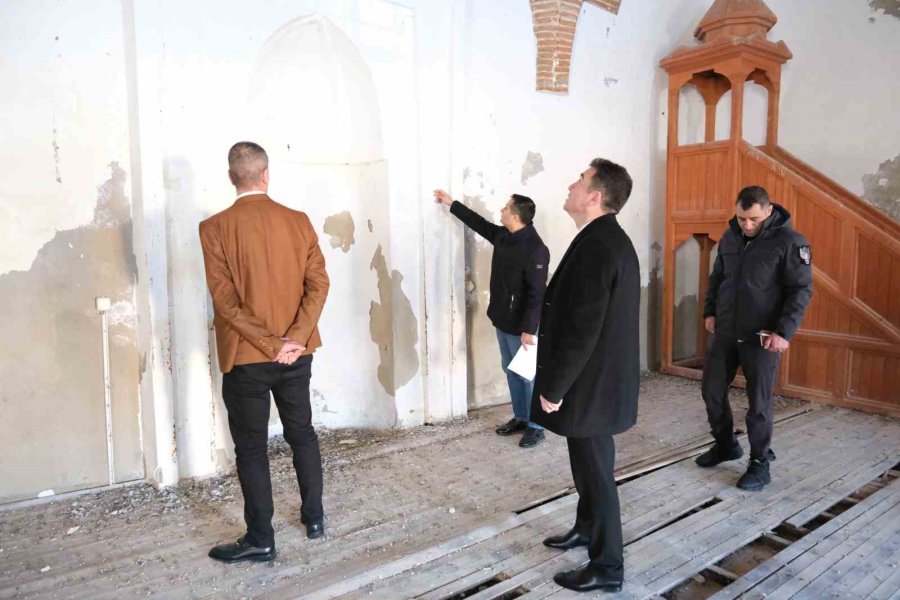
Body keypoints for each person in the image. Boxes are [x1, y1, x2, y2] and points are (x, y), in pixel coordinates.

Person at [200, 141, 330, 563]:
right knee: (303, 435)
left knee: (252, 449)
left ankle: (261, 538)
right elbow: (319, 285)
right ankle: (314, 520)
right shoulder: (298, 221)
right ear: (266, 174)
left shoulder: (213, 227)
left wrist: (273, 344)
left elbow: (227, 303)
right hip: (297, 354)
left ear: (231, 176)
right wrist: (293, 339)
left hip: (246, 359)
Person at [531, 158, 640, 593]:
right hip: (595, 383)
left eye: (579, 180)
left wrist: (555, 387)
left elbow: (583, 328)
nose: (571, 185)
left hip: (589, 384)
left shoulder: (599, 245)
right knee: (587, 463)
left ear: (594, 197)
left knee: (597, 473)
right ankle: (585, 527)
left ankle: (608, 567)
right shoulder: (600, 238)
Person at [696, 185, 812, 491]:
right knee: (711, 391)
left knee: (758, 403)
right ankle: (725, 445)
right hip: (725, 331)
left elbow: (800, 290)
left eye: (754, 220)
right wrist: (710, 312)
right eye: (742, 218)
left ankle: (760, 462)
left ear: (769, 211)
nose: (748, 225)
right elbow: (717, 278)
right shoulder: (731, 237)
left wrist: (784, 332)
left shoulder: (790, 242)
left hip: (762, 337)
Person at [434, 190, 550, 448]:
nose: (502, 211)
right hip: (502, 319)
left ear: (517, 216)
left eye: (506, 208)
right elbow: (479, 223)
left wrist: (530, 329)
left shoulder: (536, 250)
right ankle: (521, 417)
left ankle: (536, 426)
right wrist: (451, 203)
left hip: (523, 327)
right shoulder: (504, 236)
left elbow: (537, 295)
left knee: (527, 375)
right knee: (511, 371)